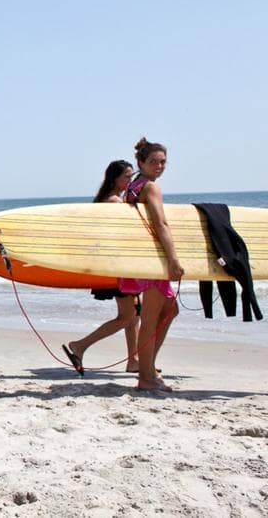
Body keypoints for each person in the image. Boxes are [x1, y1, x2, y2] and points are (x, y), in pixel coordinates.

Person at [62, 160, 141, 375]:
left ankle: (133, 361)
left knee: (133, 315)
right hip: (118, 267)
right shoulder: (114, 203)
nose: (130, 180)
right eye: (126, 176)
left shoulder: (106, 200)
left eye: (131, 176)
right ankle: (80, 345)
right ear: (114, 178)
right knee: (127, 317)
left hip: (115, 264)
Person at [118, 138, 183, 392]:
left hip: (141, 258)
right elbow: (160, 224)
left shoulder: (132, 186)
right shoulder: (151, 187)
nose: (159, 166)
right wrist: (173, 259)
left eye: (163, 162)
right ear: (141, 162)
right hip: (154, 261)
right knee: (150, 319)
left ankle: (148, 368)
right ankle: (146, 376)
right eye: (154, 161)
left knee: (170, 310)